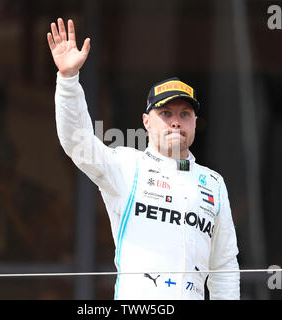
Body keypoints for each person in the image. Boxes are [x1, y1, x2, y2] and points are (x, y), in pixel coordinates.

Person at [47, 18, 240, 300]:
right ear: (146, 122)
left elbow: (224, 267)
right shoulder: (126, 165)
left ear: (196, 123)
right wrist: (67, 80)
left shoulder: (213, 183)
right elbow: (77, 142)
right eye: (166, 114)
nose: (176, 122)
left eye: (184, 114)